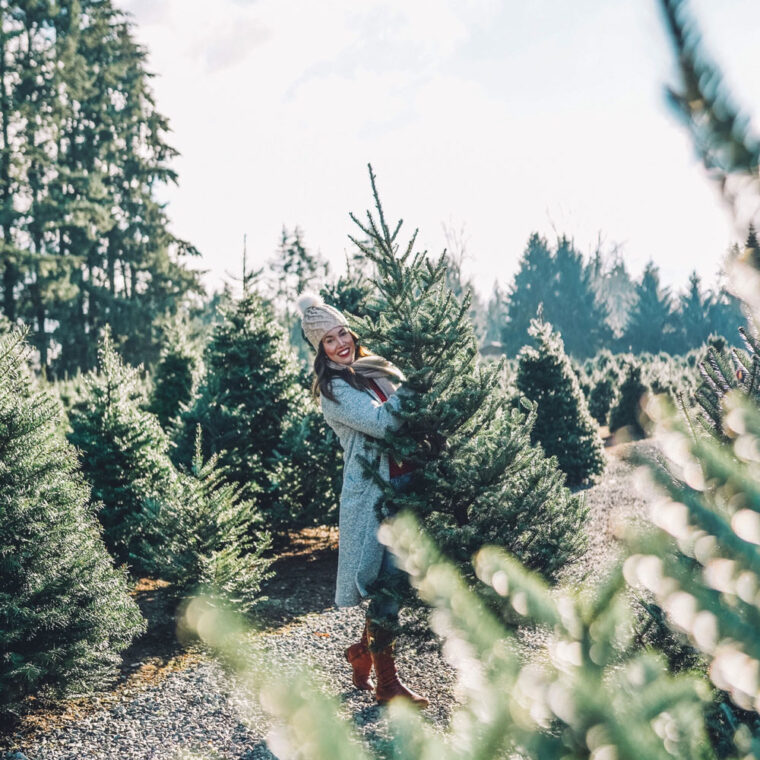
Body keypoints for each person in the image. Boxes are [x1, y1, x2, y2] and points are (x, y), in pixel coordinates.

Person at [297, 293, 428, 708]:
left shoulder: (372, 368)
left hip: (408, 483)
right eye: (329, 341)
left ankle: (362, 652)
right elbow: (384, 422)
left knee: (400, 580)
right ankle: (388, 686)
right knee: (388, 584)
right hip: (375, 493)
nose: (341, 344)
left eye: (342, 333)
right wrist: (416, 381)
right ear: (319, 351)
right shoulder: (333, 389)